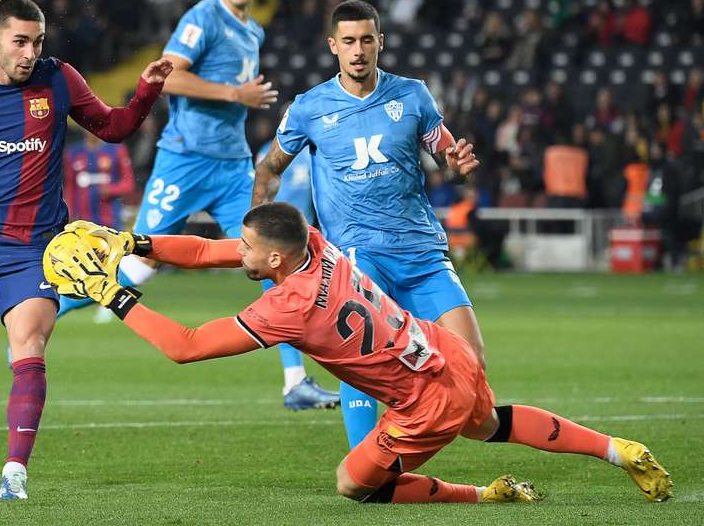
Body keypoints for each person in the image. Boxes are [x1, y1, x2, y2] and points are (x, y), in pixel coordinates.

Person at [43, 203, 673, 505]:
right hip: (444, 353)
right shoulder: (314, 245)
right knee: (490, 422)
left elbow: (184, 348)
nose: (238, 252)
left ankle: (483, 496)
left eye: (249, 248)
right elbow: (212, 253)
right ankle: (620, 449)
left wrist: (114, 295)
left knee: (354, 485)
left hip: (421, 400)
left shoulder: (286, 306)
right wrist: (135, 241)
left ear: (277, 260)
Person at [0, 0, 171, 500]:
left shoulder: (58, 78)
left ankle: (14, 473)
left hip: (35, 247)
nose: (29, 53)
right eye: (20, 41)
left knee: (29, 349)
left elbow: (114, 127)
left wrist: (147, 92)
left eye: (37, 41)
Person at [97, 0, 331, 408]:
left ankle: (295, 383)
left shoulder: (253, 32)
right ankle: (50, 304)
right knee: (138, 262)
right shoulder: (203, 17)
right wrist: (233, 95)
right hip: (184, 161)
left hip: (231, 168)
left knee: (272, 258)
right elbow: (165, 77)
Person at [252, 0, 484, 448]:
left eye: (365, 40)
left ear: (380, 42)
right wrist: (258, 230)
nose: (358, 50)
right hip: (358, 257)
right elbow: (271, 167)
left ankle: (410, 435)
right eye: (348, 42)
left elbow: (445, 150)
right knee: (362, 360)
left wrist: (457, 162)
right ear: (332, 46)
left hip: (421, 250)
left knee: (471, 363)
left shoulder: (412, 94)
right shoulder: (309, 108)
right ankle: (368, 465)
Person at [255, 136, 339, 410]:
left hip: (292, 243)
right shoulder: (315, 149)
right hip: (286, 244)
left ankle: (295, 381)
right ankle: (295, 383)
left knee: (298, 311)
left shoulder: (271, 151)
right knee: (299, 311)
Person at [58, 130, 135, 323]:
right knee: (82, 262)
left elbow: (128, 183)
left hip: (108, 216)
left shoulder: (116, 151)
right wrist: (68, 213)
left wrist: (111, 190)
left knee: (110, 261)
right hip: (82, 218)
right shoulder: (74, 153)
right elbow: (69, 186)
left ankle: (109, 303)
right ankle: (80, 298)